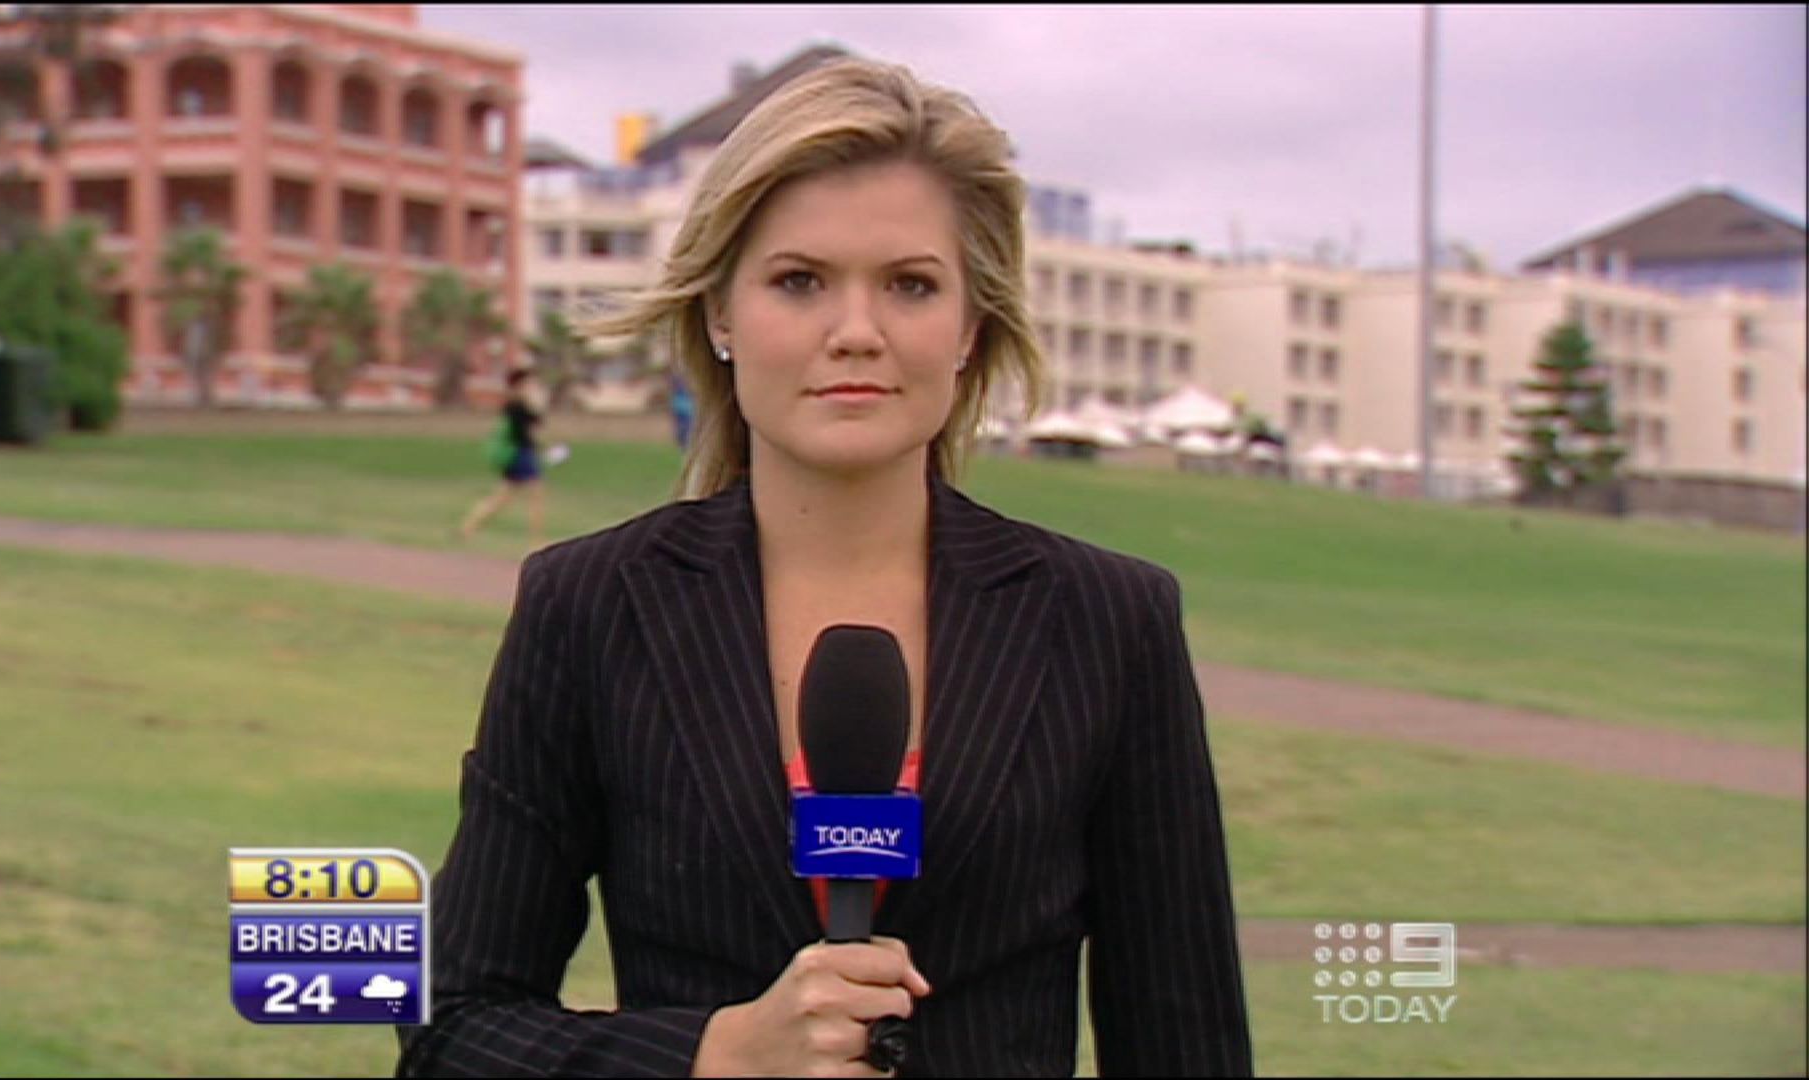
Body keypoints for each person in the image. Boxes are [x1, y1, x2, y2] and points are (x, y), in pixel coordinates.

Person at [398, 57, 1252, 1078]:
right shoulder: (591, 608)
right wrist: (715, 1053)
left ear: (971, 325)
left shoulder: (1110, 622)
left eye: (910, 285)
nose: (856, 333)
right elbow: (451, 1028)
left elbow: (1187, 1042)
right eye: (799, 281)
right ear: (720, 314)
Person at [458, 367, 546, 546]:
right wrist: (538, 403)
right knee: (535, 496)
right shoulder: (517, 405)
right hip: (520, 454)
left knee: (501, 497)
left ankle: (468, 528)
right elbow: (533, 425)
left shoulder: (513, 404)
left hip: (517, 455)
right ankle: (536, 541)